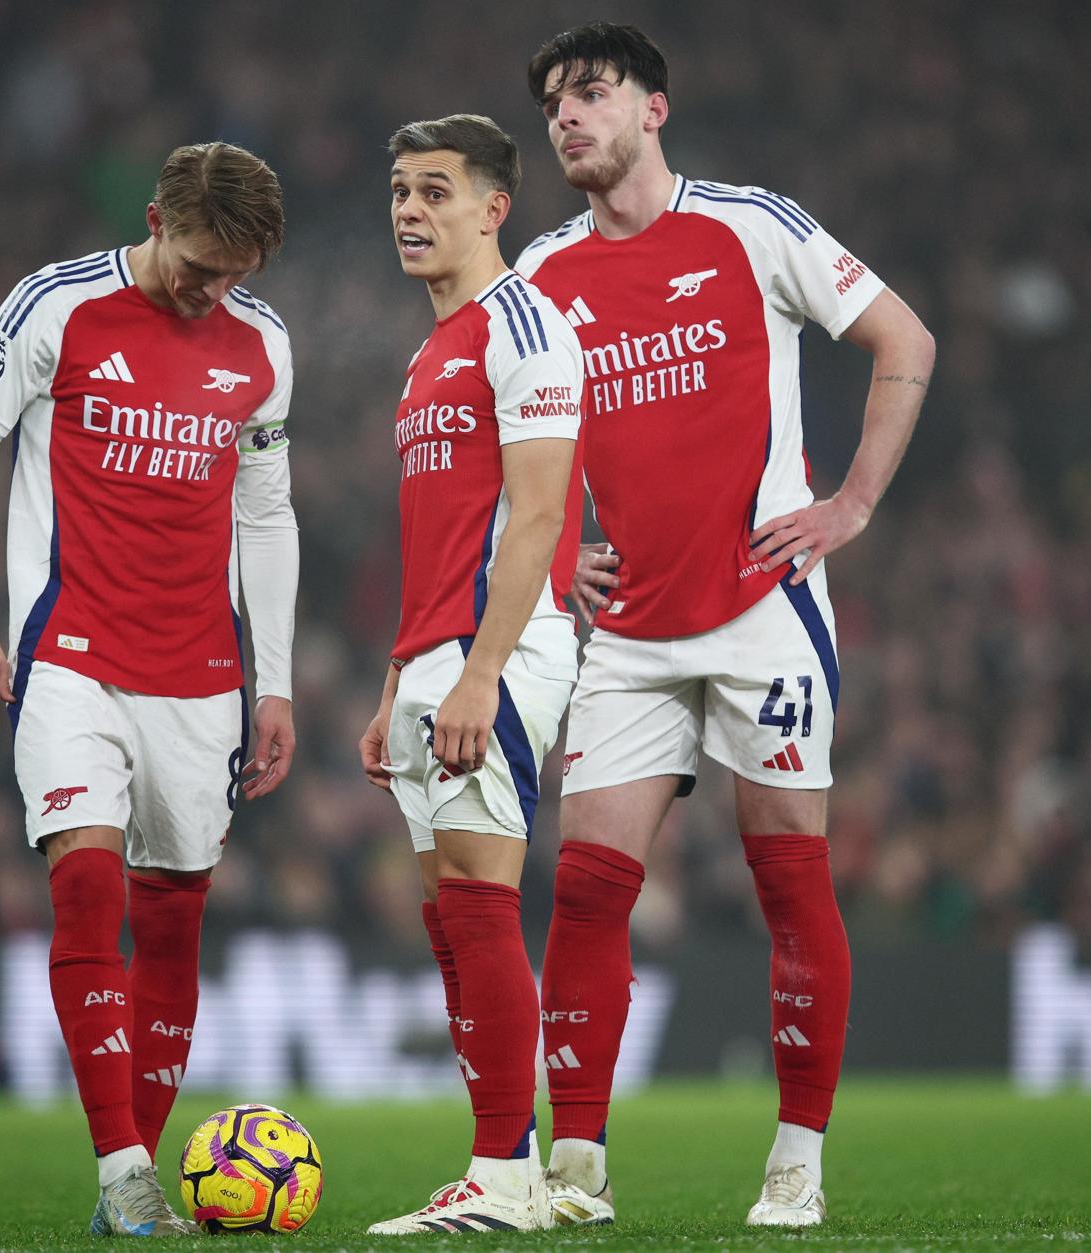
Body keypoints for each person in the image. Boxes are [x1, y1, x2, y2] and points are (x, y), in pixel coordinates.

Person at [514, 23, 937, 1229]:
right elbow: (506, 430)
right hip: (631, 630)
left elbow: (905, 339)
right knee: (589, 888)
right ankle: (578, 1170)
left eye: (591, 92)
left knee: (789, 879)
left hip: (765, 607)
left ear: (655, 107)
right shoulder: (541, 275)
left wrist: (849, 501)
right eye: (554, 103)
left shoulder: (752, 227)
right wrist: (551, 553)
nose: (568, 117)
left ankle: (797, 1158)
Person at [0, 141, 298, 1237]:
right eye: (195, 264)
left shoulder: (266, 344)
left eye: (234, 273)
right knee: (86, 888)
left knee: (173, 924)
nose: (210, 289)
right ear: (153, 218)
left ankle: (133, 1184)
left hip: (202, 677)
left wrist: (271, 684)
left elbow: (266, 513)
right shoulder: (58, 306)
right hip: (71, 659)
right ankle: (125, 1168)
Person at [357, 114, 585, 1235]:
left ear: (495, 207)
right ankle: (516, 1162)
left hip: (502, 648)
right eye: (401, 190)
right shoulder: (427, 350)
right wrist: (400, 675)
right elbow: (440, 532)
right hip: (436, 657)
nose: (410, 210)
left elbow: (538, 512)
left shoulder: (525, 327)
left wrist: (482, 671)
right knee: (449, 911)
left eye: (436, 191)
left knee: (484, 899)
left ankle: (501, 1176)